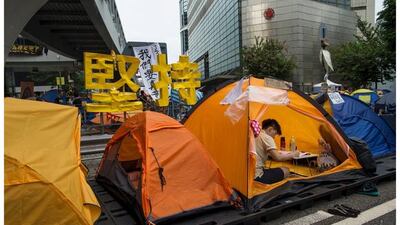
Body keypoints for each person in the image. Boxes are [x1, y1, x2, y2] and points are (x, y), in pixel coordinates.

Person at [255, 119, 300, 184]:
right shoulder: (267, 137)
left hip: (248, 175)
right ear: (270, 129)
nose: (274, 137)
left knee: (275, 169)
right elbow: (278, 157)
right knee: (286, 170)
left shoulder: (256, 134)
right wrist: (294, 154)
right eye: (275, 134)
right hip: (258, 176)